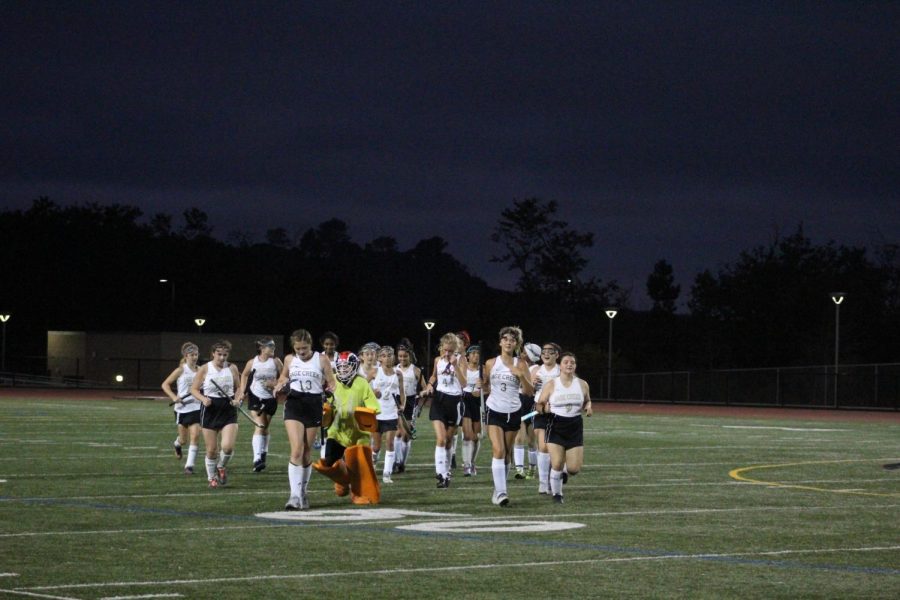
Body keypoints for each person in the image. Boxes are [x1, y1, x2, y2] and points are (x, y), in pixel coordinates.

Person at [276, 329, 336, 510]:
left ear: (311, 346)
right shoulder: (289, 359)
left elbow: (331, 381)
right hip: (294, 403)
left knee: (306, 452)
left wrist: (330, 391)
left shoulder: (321, 359)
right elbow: (284, 376)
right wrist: (280, 384)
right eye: (298, 349)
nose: (301, 352)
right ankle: (293, 496)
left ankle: (303, 492)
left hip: (314, 404)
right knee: (296, 449)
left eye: (304, 348)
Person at [312, 351, 382, 505]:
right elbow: (325, 403)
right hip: (337, 432)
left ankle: (358, 494)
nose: (343, 370)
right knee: (329, 463)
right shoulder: (333, 381)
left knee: (359, 469)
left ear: (355, 367)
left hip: (358, 434)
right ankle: (343, 480)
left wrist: (367, 413)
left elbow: (373, 407)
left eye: (347, 367)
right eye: (341, 367)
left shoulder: (362, 383)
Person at [481, 326, 534, 506]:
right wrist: (482, 386)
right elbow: (487, 386)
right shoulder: (490, 363)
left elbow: (529, 392)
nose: (508, 342)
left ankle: (498, 490)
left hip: (513, 411)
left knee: (507, 455)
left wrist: (522, 376)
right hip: (494, 410)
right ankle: (502, 493)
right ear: (500, 342)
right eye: (505, 339)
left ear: (516, 344)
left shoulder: (521, 364)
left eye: (512, 340)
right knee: (499, 450)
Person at [535, 351, 592, 503]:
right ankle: (557, 494)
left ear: (575, 366)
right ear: (560, 366)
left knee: (574, 468)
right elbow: (539, 404)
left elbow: (587, 400)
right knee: (557, 463)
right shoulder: (552, 384)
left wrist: (588, 407)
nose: (569, 364)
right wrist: (544, 409)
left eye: (572, 362)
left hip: (574, 425)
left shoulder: (582, 384)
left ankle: (563, 474)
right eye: (566, 362)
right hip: (555, 424)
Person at [190, 340, 243, 488]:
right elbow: (193, 389)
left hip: (228, 410)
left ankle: (221, 466)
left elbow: (238, 388)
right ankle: (211, 478)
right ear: (213, 353)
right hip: (210, 410)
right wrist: (203, 399)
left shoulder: (232, 368)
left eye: (225, 355)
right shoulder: (205, 368)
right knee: (212, 450)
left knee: (227, 447)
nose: (221, 357)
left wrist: (237, 399)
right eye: (219, 354)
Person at [423, 332, 468, 488]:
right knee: (441, 439)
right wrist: (429, 386)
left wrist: (455, 366)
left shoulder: (462, 361)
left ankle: (446, 471)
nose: (447, 353)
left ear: (456, 349)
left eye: (450, 350)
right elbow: (434, 376)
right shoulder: (438, 360)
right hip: (439, 400)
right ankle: (441, 474)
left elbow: (464, 384)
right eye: (445, 350)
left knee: (448, 441)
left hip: (455, 402)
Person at [239, 337, 284, 473]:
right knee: (260, 425)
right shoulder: (253, 362)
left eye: (274, 346)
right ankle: (257, 459)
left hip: (270, 398)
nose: (273, 349)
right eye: (270, 347)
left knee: (265, 427)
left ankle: (263, 452)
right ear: (262, 348)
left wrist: (275, 384)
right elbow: (245, 375)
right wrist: (242, 390)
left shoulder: (276, 362)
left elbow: (284, 378)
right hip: (255, 396)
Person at [161, 342, 201, 475]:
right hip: (182, 408)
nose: (194, 357)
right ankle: (177, 444)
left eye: (196, 354)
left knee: (195, 435)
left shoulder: (201, 370)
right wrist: (173, 397)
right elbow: (165, 384)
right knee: (184, 440)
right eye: (191, 355)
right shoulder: (181, 370)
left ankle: (189, 466)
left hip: (196, 406)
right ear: (186, 356)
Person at [371, 345, 405, 483]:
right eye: (384, 356)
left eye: (390, 355)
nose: (387, 358)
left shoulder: (398, 373)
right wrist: (373, 393)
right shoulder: (374, 372)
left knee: (390, 443)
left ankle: (387, 473)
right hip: (376, 413)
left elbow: (402, 393)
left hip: (391, 413)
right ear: (379, 358)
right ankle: (372, 465)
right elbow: (363, 388)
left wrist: (402, 405)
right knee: (376, 446)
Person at [532, 342, 561, 494]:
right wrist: (531, 384)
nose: (546, 353)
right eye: (544, 351)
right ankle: (543, 483)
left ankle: (555, 475)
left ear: (557, 355)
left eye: (551, 351)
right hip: (540, 410)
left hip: (558, 412)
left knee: (555, 448)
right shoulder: (535, 369)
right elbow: (526, 390)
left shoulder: (562, 370)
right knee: (543, 446)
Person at [394, 339, 425, 473]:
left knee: (406, 435)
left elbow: (425, 387)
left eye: (405, 356)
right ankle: (396, 461)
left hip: (411, 402)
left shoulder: (416, 370)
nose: (402, 358)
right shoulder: (394, 369)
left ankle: (402, 463)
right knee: (398, 432)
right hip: (397, 402)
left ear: (410, 355)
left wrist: (423, 393)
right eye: (400, 356)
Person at [314, 331, 340, 454]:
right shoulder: (318, 357)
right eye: (327, 344)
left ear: (336, 345)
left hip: (338, 392)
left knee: (337, 420)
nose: (329, 346)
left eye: (332, 344)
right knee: (324, 419)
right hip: (323, 392)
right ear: (322, 344)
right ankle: (324, 448)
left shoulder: (340, 358)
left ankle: (336, 447)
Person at [461, 344, 483, 476]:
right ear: (468, 356)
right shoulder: (464, 368)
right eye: (473, 353)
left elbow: (488, 388)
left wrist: (482, 388)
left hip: (478, 401)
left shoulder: (483, 370)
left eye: (477, 353)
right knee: (467, 435)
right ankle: (466, 464)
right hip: (465, 399)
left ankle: (472, 462)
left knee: (476, 436)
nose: (475, 355)